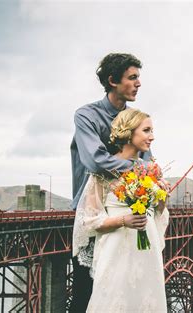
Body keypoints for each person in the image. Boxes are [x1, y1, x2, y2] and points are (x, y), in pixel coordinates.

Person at [70, 53, 151, 312]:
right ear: (112, 80)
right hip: (93, 213)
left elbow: (149, 165)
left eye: (139, 77)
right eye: (132, 77)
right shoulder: (86, 115)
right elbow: (95, 162)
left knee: (126, 291)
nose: (139, 83)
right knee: (85, 295)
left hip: (129, 215)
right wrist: (138, 169)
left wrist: (149, 176)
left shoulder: (136, 120)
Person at [73, 108, 169, 312]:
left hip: (146, 248)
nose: (152, 136)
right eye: (146, 130)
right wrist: (123, 220)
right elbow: (89, 221)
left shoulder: (149, 169)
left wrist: (163, 195)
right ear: (129, 132)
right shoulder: (104, 172)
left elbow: (158, 213)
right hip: (116, 251)